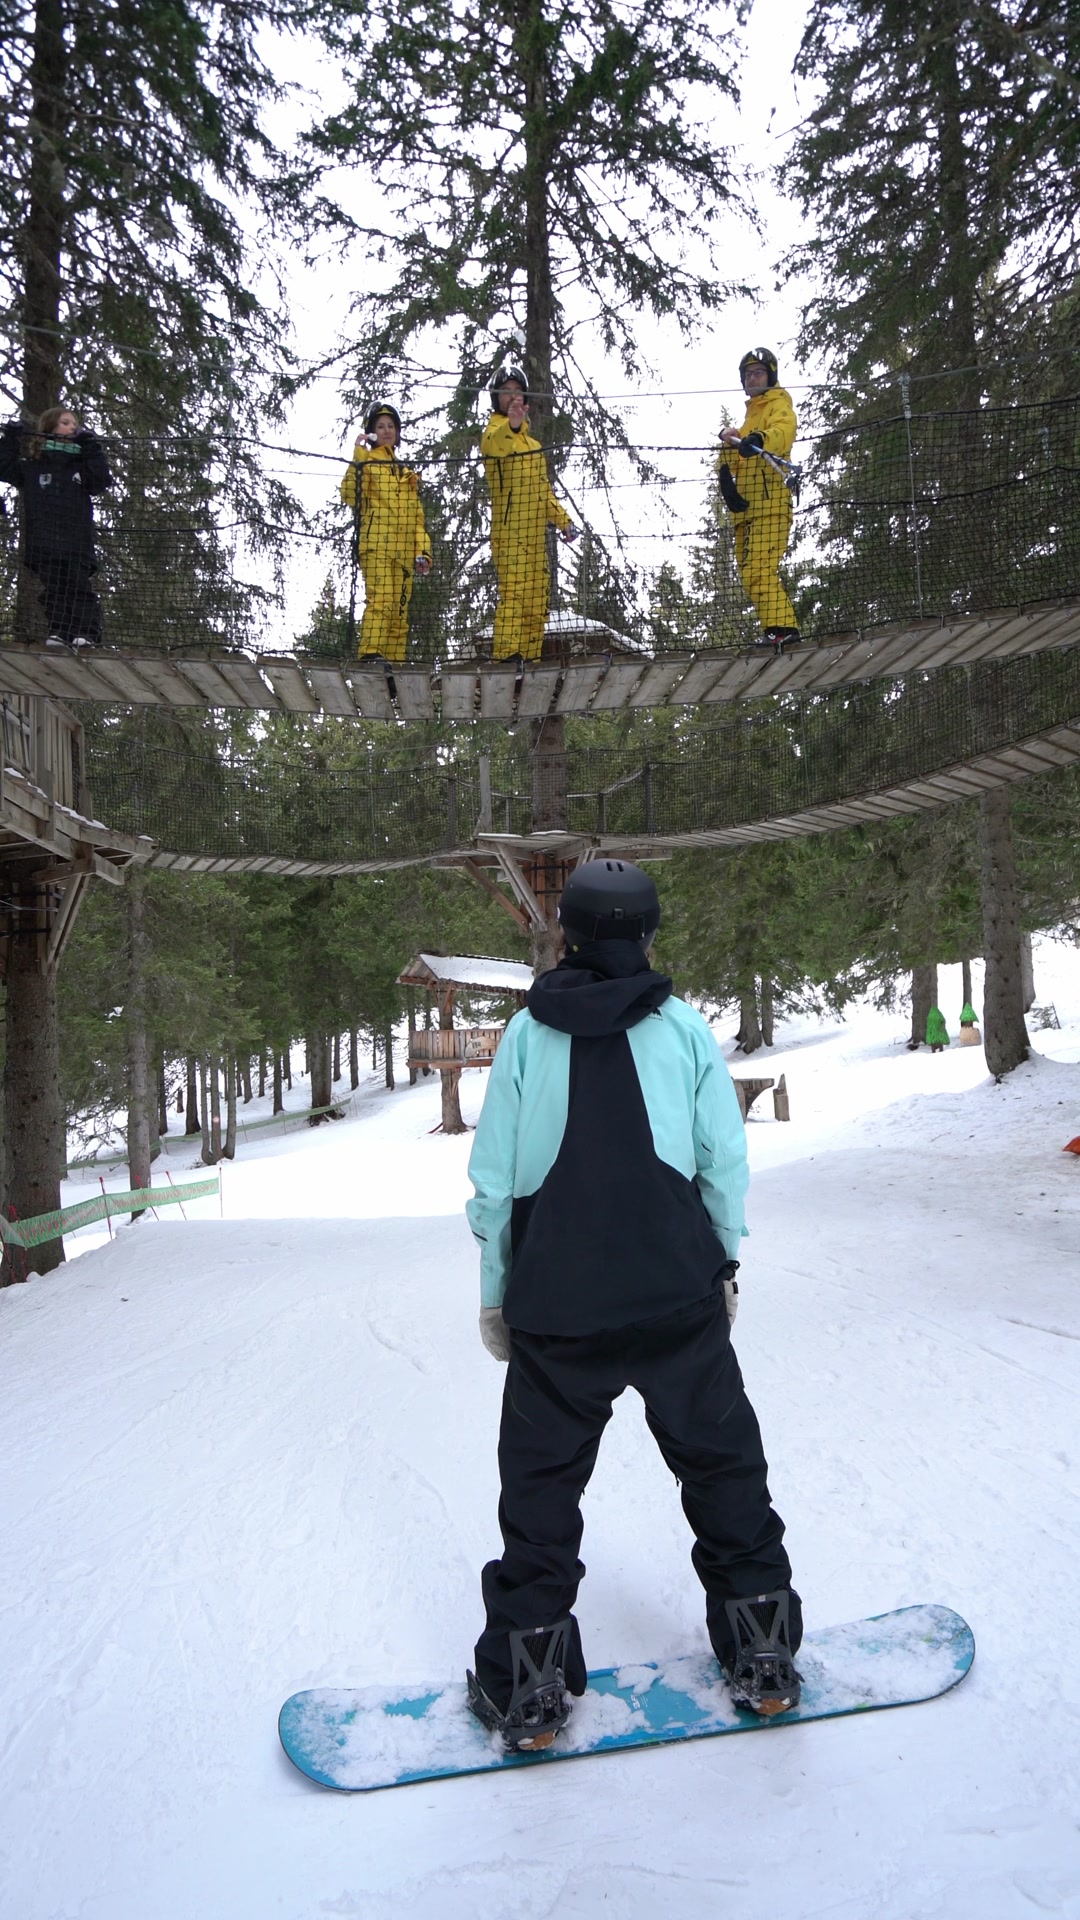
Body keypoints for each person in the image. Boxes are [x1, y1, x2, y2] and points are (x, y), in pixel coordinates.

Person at [464, 857, 802, 1752]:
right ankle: (762, 1650)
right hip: (673, 1293)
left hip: (558, 1306)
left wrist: (498, 1294)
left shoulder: (526, 1036)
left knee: (540, 1493)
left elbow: (494, 1182)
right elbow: (721, 1160)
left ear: (567, 933)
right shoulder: (685, 1028)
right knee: (724, 1470)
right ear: (648, 934)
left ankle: (528, 1681)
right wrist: (722, 1264)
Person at [481, 366, 578, 663]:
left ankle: (530, 660)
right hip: (510, 534)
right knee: (515, 594)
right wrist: (510, 426)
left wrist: (564, 521)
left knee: (537, 602)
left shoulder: (534, 447)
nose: (512, 396)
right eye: (505, 391)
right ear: (496, 399)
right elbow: (493, 446)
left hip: (536, 538)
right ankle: (508, 656)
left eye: (517, 391)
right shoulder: (494, 433)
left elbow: (544, 492)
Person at [0, 406, 111, 649]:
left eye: (74, 423)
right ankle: (60, 631)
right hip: (44, 541)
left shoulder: (80, 465)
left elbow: (101, 480)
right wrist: (10, 439)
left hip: (76, 541)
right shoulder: (33, 467)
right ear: (50, 428)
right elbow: (4, 468)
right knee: (54, 588)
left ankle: (86, 632)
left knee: (78, 586)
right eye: (65, 422)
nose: (72, 427)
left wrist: (90, 447)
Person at [718, 348, 800, 650]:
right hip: (747, 511)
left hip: (771, 505)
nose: (753, 378)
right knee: (750, 574)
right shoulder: (750, 417)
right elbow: (737, 455)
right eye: (748, 374)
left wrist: (761, 439)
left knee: (759, 569)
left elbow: (783, 431)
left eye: (759, 372)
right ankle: (775, 630)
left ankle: (784, 628)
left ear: (771, 375)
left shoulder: (779, 404)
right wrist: (726, 476)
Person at [339, 403, 432, 663]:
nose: (387, 431)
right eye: (380, 426)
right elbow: (350, 495)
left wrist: (422, 551)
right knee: (381, 601)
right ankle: (371, 655)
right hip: (377, 546)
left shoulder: (406, 474)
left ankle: (394, 664)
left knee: (399, 614)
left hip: (403, 555)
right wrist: (358, 457)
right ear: (370, 432)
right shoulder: (366, 463)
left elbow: (417, 520)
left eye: (391, 426)